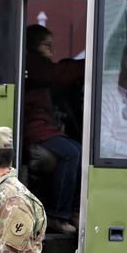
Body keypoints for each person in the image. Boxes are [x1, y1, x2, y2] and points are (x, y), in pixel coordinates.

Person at [21, 24, 85, 234]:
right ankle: (56, 214)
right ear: (33, 46)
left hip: (43, 125)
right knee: (70, 152)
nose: (51, 51)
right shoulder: (32, 62)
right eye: (47, 45)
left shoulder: (39, 63)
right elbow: (56, 75)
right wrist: (91, 62)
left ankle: (73, 210)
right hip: (34, 127)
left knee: (78, 148)